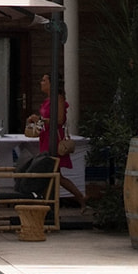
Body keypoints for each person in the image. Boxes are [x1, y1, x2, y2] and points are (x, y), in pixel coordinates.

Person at [36, 72, 85, 206]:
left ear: (51, 83)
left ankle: (78, 197)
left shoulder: (58, 99)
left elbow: (59, 119)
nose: (41, 83)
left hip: (53, 138)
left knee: (54, 173)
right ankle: (47, 202)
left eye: (44, 80)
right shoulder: (48, 100)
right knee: (51, 172)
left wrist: (41, 120)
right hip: (46, 136)